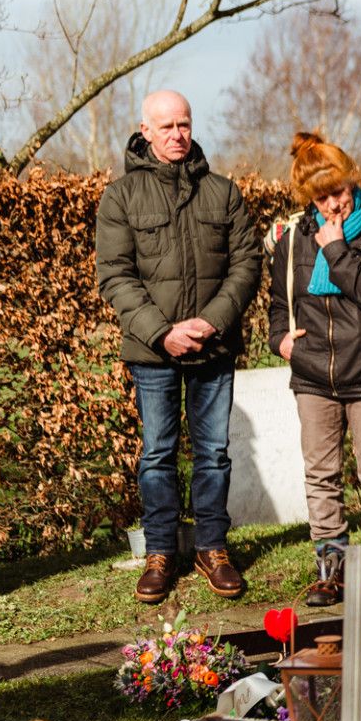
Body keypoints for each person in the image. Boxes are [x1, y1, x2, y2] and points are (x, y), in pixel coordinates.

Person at [95, 90, 262, 605]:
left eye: (183, 124)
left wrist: (211, 323)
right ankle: (161, 552)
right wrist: (162, 331)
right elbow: (115, 276)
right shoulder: (121, 196)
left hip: (214, 347)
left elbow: (247, 264)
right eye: (165, 126)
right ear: (145, 130)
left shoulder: (222, 191)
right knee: (158, 454)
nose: (176, 134)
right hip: (153, 350)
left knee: (213, 453)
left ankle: (213, 547)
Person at [268, 132, 361, 608]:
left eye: (339, 191)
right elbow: (277, 301)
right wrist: (279, 340)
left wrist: (335, 250)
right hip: (313, 375)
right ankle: (329, 564)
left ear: (352, 181)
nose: (334, 204)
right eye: (322, 197)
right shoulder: (292, 238)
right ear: (309, 197)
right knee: (321, 473)